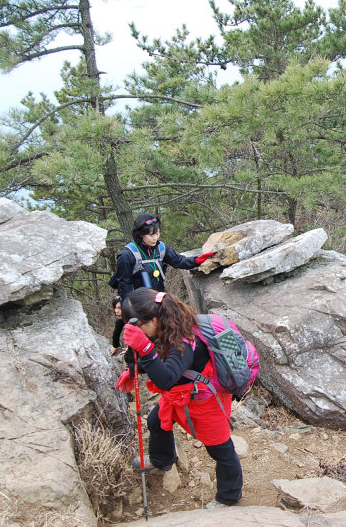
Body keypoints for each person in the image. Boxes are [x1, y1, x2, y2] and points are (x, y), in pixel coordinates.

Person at [115, 288, 243, 509]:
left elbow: (165, 377)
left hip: (205, 399)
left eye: (137, 325)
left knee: (220, 449)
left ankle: (229, 497)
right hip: (180, 393)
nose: (138, 331)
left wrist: (144, 348)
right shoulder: (165, 326)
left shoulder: (185, 339)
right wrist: (133, 370)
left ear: (153, 319)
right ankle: (162, 460)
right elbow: (157, 359)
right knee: (156, 421)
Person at [112, 213, 213, 303]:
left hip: (158, 298)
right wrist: (129, 309)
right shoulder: (127, 255)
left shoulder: (161, 248)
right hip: (139, 303)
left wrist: (196, 261)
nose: (155, 238)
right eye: (151, 235)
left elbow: (179, 261)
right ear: (141, 234)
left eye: (157, 233)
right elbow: (124, 285)